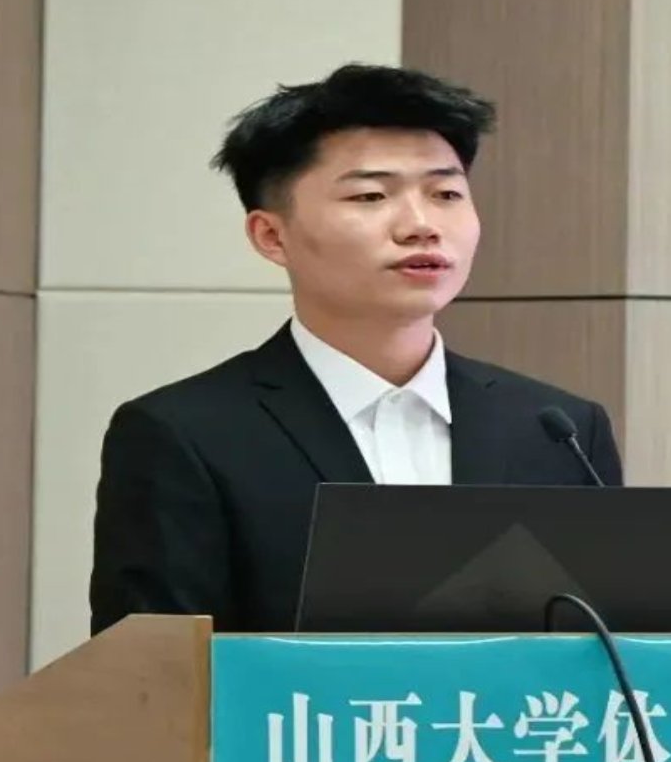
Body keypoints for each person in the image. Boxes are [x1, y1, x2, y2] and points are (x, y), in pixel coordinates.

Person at [89, 64, 622, 634]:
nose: (421, 225)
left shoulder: (558, 431)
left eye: (446, 193)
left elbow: (616, 651)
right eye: (370, 195)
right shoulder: (185, 434)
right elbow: (154, 672)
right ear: (272, 236)